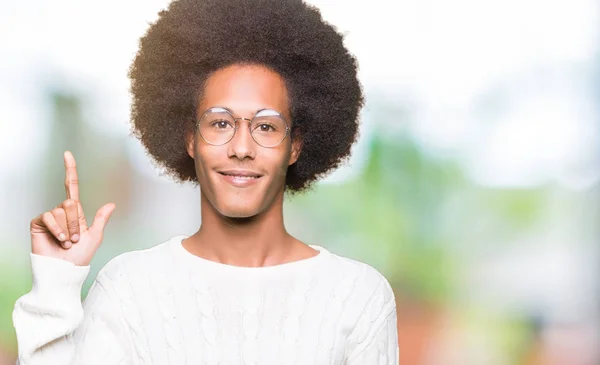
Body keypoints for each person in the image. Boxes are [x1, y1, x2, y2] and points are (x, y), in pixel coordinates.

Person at [12, 0, 399, 363]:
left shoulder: (358, 296)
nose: (242, 147)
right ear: (190, 138)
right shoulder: (129, 288)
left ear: (295, 146)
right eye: (220, 123)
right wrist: (55, 284)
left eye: (266, 126)